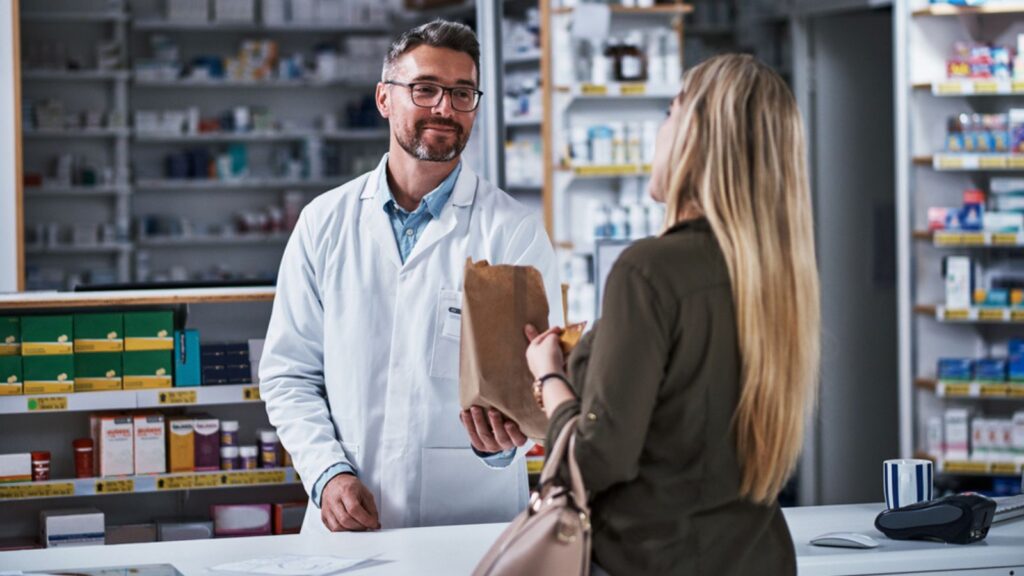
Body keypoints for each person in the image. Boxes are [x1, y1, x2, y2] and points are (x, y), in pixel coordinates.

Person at [259, 19, 562, 534]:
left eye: (462, 93)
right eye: (425, 89)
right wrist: (328, 474)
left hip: (467, 523)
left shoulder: (513, 232)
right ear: (384, 99)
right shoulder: (324, 222)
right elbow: (289, 374)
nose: (445, 108)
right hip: (346, 523)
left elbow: (537, 387)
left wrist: (500, 445)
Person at [524, 54, 820, 576]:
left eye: (669, 111)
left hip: (653, 559)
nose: (659, 132)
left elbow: (597, 461)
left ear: (698, 137)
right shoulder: (777, 279)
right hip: (760, 558)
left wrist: (549, 374)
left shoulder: (648, 270)